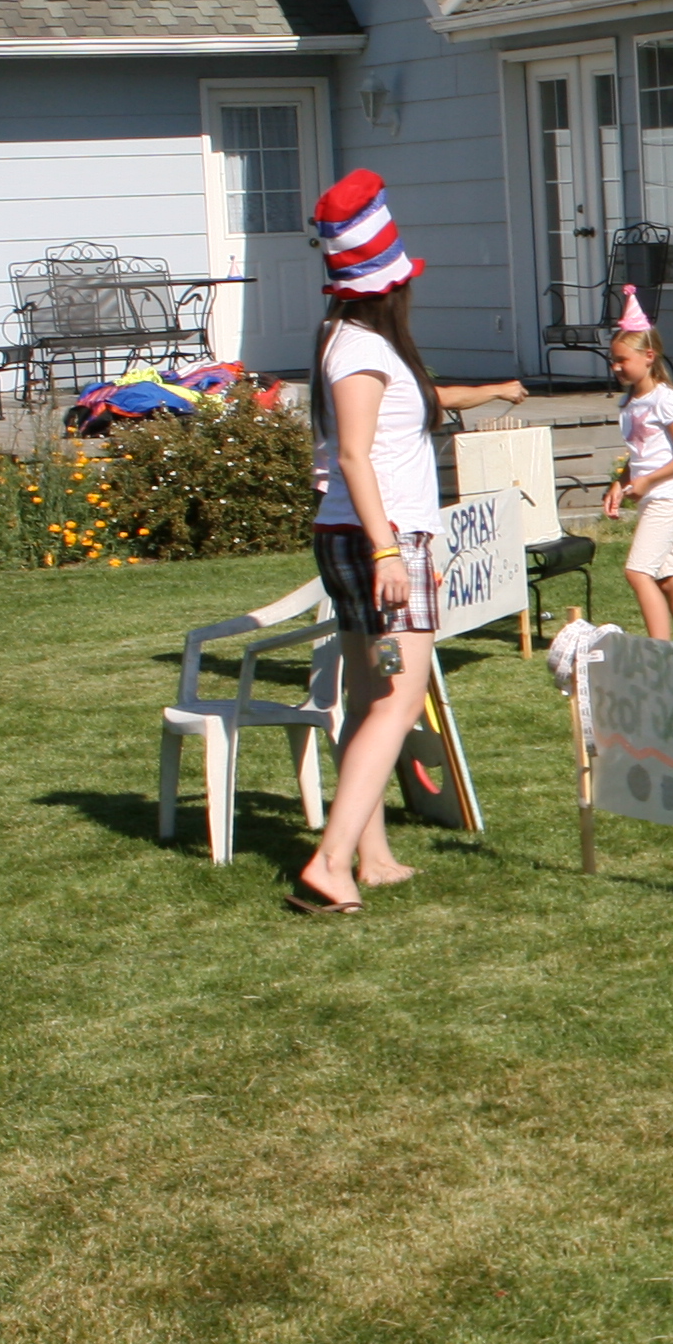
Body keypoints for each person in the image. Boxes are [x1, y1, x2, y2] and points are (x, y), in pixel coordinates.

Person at [291, 170, 528, 914]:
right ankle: (330, 864)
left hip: (356, 536)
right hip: (381, 541)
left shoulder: (343, 338)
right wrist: (390, 552)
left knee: (370, 702)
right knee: (398, 703)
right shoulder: (361, 350)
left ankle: (372, 855)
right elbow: (354, 456)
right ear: (388, 286)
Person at [602, 326, 673, 646]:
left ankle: (659, 653)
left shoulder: (664, 399)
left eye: (622, 360)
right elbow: (641, 456)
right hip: (653, 498)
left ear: (649, 356)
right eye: (612, 360)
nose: (616, 367)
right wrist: (620, 483)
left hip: (670, 497)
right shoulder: (630, 402)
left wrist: (647, 480)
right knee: (668, 580)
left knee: (637, 572)